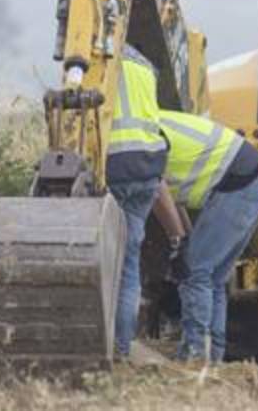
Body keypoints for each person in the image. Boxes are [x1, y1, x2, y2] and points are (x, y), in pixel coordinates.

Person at [156, 110, 258, 363]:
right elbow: (173, 198)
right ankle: (213, 358)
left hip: (238, 185)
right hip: (255, 183)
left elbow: (157, 187)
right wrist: (184, 237)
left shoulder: (145, 136)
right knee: (214, 278)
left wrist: (178, 242)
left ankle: (195, 355)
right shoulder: (159, 123)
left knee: (195, 271)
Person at [105, 44, 170, 359]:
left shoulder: (101, 58)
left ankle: (102, 341)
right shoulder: (146, 66)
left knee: (104, 260)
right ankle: (122, 347)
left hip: (114, 166)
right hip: (147, 168)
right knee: (129, 262)